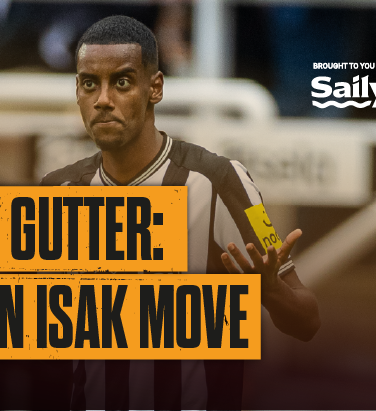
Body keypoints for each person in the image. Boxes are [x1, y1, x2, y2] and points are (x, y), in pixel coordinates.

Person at [40, 15, 320, 409]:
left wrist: (271, 290)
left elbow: (308, 321)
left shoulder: (223, 180)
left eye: (122, 82)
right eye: (89, 84)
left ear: (155, 88)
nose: (103, 99)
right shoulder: (58, 191)